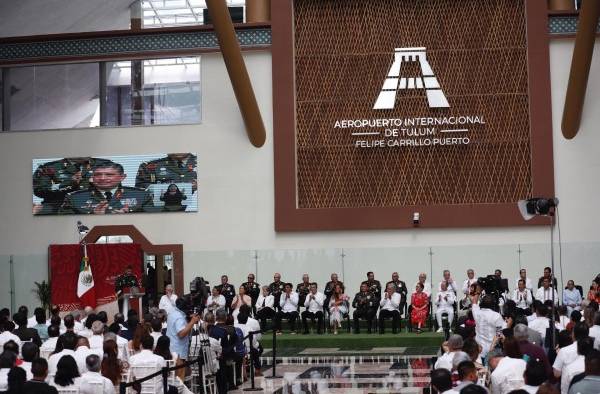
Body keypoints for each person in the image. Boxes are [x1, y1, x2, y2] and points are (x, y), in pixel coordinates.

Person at [60, 161, 154, 214]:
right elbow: (62, 226)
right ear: (92, 177)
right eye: (97, 175)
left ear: (122, 177)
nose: (102, 178)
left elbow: (153, 222)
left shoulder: (141, 195)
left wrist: (128, 218)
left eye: (109, 175)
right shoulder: (74, 198)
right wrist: (92, 217)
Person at [33, 156, 115, 215]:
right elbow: (39, 190)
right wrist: (67, 184)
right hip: (60, 210)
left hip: (97, 208)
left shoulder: (105, 164)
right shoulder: (49, 167)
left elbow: (117, 189)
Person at [166, 297, 201, 380]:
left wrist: (188, 318)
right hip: (178, 352)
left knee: (175, 378)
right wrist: (192, 322)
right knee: (179, 379)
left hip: (172, 349)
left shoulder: (173, 312)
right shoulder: (179, 317)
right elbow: (181, 334)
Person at [470, 293, 505, 359]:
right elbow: (499, 333)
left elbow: (474, 303)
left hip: (479, 349)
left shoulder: (477, 312)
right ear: (493, 304)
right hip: (493, 350)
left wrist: (477, 292)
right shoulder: (496, 316)